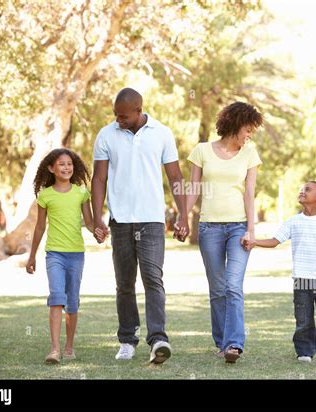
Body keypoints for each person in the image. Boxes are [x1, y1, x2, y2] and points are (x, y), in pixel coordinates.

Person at [91, 87, 189, 364]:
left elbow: (175, 176)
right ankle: (126, 340)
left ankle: (158, 338)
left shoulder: (162, 133)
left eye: (123, 116)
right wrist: (97, 217)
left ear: (138, 109)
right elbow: (99, 179)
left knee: (153, 280)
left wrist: (182, 214)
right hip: (120, 219)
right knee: (124, 283)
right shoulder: (106, 134)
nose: (118, 120)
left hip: (152, 220)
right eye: (115, 115)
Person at [185, 101, 263, 363]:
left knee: (233, 285)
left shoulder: (249, 153)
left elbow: (250, 193)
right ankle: (222, 342)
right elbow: (193, 188)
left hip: (238, 227)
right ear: (236, 124)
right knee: (217, 289)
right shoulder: (202, 150)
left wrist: (251, 230)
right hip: (209, 228)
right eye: (248, 130)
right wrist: (184, 218)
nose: (250, 135)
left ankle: (234, 344)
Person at [244, 181, 316, 365]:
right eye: (301, 189)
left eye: (307, 189)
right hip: (301, 280)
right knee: (303, 318)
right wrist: (254, 242)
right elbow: (275, 241)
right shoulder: (293, 221)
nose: (302, 191)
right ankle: (304, 351)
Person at [26, 148, 98, 364]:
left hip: (76, 254)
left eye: (69, 164)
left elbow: (90, 222)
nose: (66, 167)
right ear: (51, 168)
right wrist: (32, 257)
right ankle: (55, 349)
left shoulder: (81, 193)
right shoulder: (45, 195)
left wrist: (99, 231)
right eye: (61, 164)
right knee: (57, 298)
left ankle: (69, 346)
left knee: (72, 303)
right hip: (54, 254)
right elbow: (39, 228)